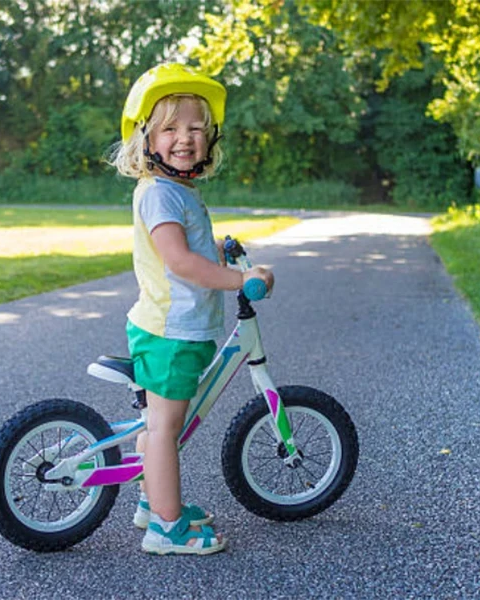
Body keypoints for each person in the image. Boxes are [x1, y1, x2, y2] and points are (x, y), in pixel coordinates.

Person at [108, 63, 274, 555]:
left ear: (210, 138)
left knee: (157, 425)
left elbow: (189, 251)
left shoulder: (178, 191)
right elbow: (179, 263)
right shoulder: (159, 194)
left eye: (196, 127)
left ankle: (151, 503)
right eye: (171, 128)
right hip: (170, 333)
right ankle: (165, 527)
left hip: (173, 330)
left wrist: (220, 253)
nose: (185, 137)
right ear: (146, 138)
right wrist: (239, 280)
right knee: (165, 429)